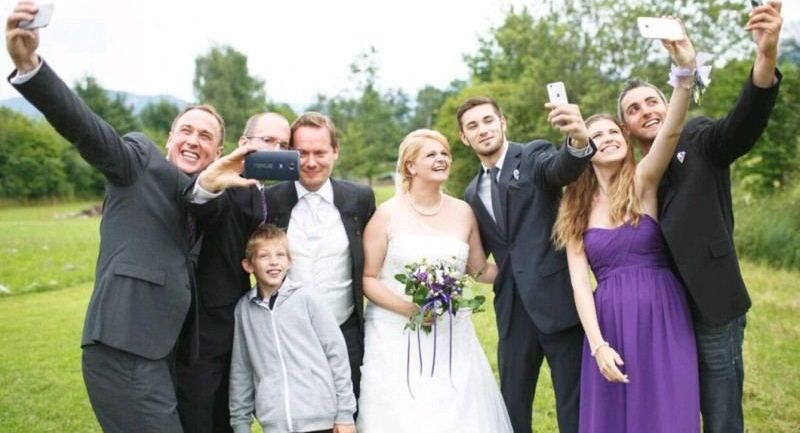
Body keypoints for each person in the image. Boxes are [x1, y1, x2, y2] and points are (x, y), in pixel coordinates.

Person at [5, 2, 224, 431]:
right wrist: (31, 64)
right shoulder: (138, 162)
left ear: (218, 151)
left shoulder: (205, 197)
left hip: (163, 357)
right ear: (168, 139)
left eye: (206, 136)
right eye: (186, 130)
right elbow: (86, 128)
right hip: (123, 350)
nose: (194, 140)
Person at [615, 4, 783, 432]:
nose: (647, 110)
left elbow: (743, 125)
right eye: (634, 109)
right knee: (676, 408)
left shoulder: (700, 137)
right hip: (662, 313)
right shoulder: (630, 178)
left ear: (668, 99)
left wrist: (766, 57)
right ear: (627, 128)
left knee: (721, 411)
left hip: (711, 302)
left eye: (652, 100)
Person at [553, 28, 698, 433]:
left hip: (663, 312)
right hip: (610, 318)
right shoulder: (574, 207)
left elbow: (669, 131)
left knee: (668, 411)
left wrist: (684, 75)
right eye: (596, 136)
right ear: (583, 147)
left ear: (626, 139)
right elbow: (580, 284)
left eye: (613, 132)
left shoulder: (643, 182)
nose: (608, 139)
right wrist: (597, 344)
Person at [357, 129, 512, 432]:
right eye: (431, 154)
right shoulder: (386, 215)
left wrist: (528, 272)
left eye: (445, 154)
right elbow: (368, 278)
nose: (441, 159)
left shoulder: (463, 211)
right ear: (410, 166)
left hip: (451, 334)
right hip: (395, 333)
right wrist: (410, 309)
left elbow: (478, 270)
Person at [460, 96, 595, 432]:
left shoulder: (533, 155)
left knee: (572, 401)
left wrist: (578, 138)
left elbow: (562, 167)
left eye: (488, 120)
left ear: (502, 122)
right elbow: (482, 255)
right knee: (512, 403)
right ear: (464, 138)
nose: (483, 130)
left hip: (557, 302)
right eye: (473, 126)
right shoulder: (471, 192)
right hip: (512, 311)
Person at [177, 113, 292, 433]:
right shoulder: (218, 183)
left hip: (238, 317)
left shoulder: (259, 191)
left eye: (284, 145)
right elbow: (204, 207)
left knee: (230, 412)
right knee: (199, 413)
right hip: (203, 322)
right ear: (244, 144)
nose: (276, 150)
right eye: (268, 141)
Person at [265, 112, 376, 399]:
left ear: (335, 152)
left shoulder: (360, 199)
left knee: (348, 415)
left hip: (346, 331)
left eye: (320, 152)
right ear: (289, 154)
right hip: (286, 335)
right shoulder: (268, 201)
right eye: (301, 153)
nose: (311, 162)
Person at [229, 224, 356, 433]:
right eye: (264, 256)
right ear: (248, 265)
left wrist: (345, 414)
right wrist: (240, 423)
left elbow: (337, 354)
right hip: (274, 423)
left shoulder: (308, 298)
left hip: (320, 420)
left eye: (280, 255)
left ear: (289, 261)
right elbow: (241, 369)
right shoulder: (244, 309)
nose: (273, 262)